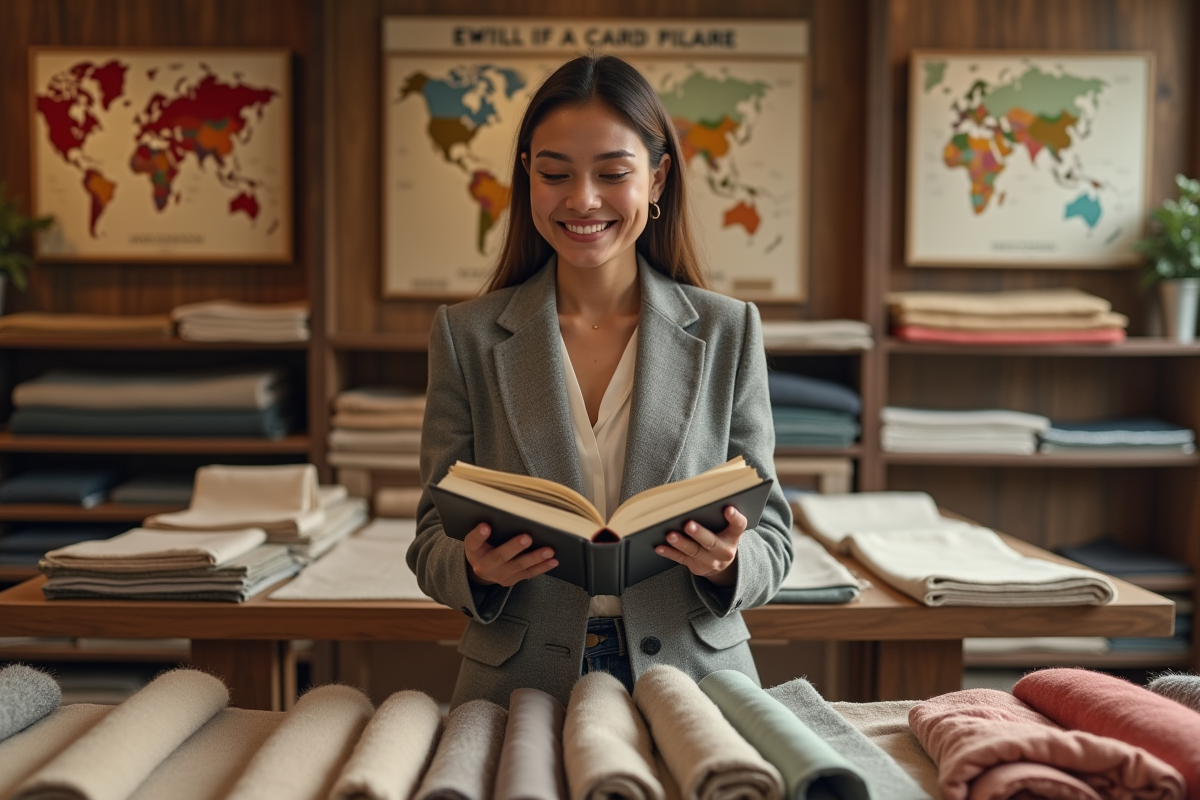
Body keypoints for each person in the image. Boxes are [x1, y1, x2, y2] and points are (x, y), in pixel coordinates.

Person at [407, 53, 792, 709]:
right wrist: (472, 568)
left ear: (658, 178)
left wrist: (730, 563)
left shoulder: (728, 330)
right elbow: (429, 541)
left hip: (695, 680)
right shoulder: (466, 336)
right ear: (527, 176)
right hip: (519, 682)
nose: (582, 199)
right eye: (555, 173)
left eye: (613, 174)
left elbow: (775, 540)